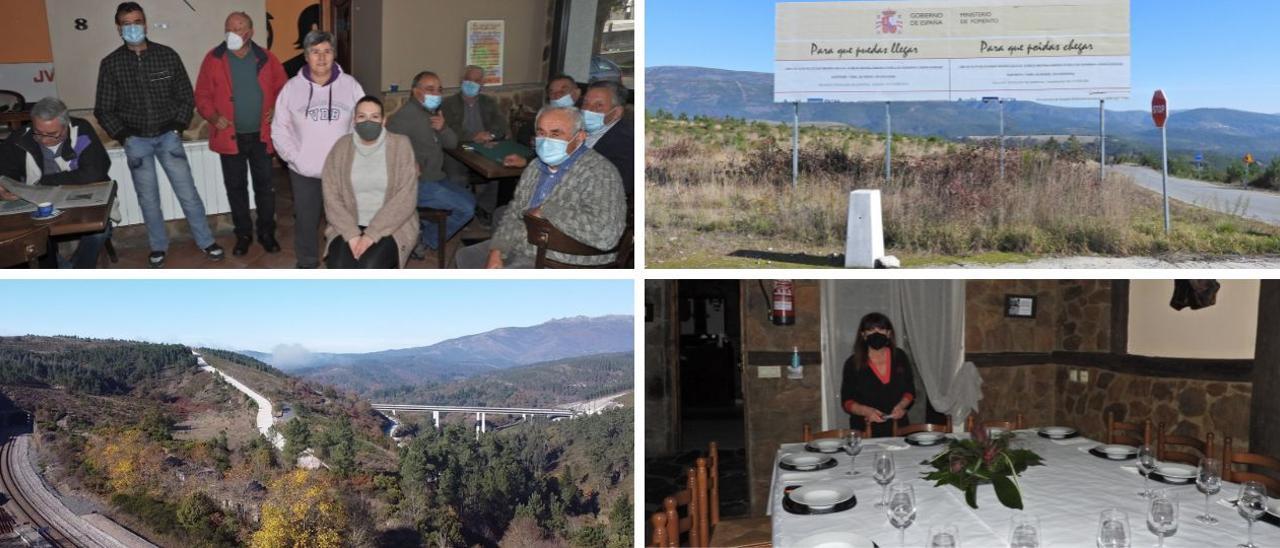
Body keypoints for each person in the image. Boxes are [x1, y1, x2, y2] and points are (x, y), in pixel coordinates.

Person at [95, 1, 224, 268]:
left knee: (188, 192)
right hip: (136, 142)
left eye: (137, 21)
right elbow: (104, 109)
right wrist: (125, 136)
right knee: (148, 198)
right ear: (119, 28)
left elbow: (185, 97)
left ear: (145, 23)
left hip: (169, 137)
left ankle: (206, 241)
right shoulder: (111, 64)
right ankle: (158, 246)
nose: (133, 28)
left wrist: (177, 126)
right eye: (127, 24)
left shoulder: (167, 55)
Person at [454, 105, 626, 268]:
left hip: (565, 260)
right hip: (526, 243)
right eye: (542, 133)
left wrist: (548, 210)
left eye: (556, 134)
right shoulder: (535, 166)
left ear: (580, 137)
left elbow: (606, 235)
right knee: (465, 256)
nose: (546, 141)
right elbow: (514, 213)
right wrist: (497, 250)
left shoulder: (600, 173)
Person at [195, 11, 288, 256]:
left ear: (251, 32)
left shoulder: (267, 58)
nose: (233, 33)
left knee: (265, 188)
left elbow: (284, 89)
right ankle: (243, 234)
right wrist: (214, 117)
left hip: (260, 136)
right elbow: (202, 95)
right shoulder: (213, 59)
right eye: (229, 28)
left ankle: (267, 233)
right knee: (236, 188)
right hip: (230, 138)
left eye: (239, 28)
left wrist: (277, 108)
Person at [271, 30, 365, 268]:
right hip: (304, 172)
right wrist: (296, 159)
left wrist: (354, 157)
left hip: (342, 171)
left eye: (327, 51)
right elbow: (280, 129)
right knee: (306, 219)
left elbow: (363, 123)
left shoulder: (351, 86)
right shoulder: (291, 89)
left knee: (345, 219)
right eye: (315, 52)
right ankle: (307, 263)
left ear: (335, 55)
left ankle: (343, 261)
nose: (321, 58)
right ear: (306, 56)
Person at [0, 97, 112, 268]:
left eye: (52, 134)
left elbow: (94, 172)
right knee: (32, 238)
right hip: (38, 205)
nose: (44, 139)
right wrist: (4, 187)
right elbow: (5, 170)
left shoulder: (81, 130)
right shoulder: (20, 138)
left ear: (66, 125)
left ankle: (79, 271)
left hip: (79, 203)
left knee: (98, 233)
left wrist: (42, 182)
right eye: (38, 132)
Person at [385, 71, 475, 259]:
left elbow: (451, 143)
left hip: (436, 178)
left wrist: (443, 128)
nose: (436, 94)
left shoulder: (432, 114)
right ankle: (425, 241)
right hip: (416, 184)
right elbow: (387, 149)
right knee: (466, 209)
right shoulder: (405, 116)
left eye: (439, 90)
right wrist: (408, 164)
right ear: (415, 91)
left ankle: (420, 228)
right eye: (430, 89)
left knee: (470, 200)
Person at [321, 96, 419, 269]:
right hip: (348, 223)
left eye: (374, 117)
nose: (368, 121)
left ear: (383, 121)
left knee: (369, 265)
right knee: (338, 265)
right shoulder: (341, 147)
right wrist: (351, 235)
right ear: (354, 120)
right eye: (362, 116)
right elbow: (331, 195)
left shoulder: (400, 145)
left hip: (391, 225)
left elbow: (406, 197)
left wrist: (371, 235)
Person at [501, 82, 632, 199]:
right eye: (585, 103)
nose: (588, 110)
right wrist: (526, 161)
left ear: (616, 112)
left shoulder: (627, 143)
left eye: (599, 105)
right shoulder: (581, 124)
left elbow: (617, 187)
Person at [840, 313, 916, 438]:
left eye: (881, 329)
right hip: (865, 429)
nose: (876, 333)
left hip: (899, 427)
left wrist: (902, 406)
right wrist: (866, 411)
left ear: (889, 333)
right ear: (863, 335)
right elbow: (847, 402)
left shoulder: (900, 356)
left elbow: (910, 391)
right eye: (870, 330)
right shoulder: (852, 363)